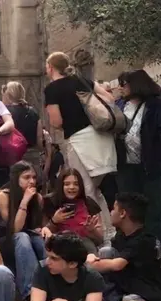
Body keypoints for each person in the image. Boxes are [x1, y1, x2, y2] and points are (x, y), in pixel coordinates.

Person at [44, 52, 116, 241]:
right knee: (98, 190)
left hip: (80, 141)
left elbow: (57, 121)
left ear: (50, 67)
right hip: (102, 138)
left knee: (84, 189)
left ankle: (98, 238)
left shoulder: (52, 89)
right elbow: (109, 98)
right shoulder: (81, 80)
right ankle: (109, 234)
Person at [88, 193, 161, 301]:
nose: (111, 212)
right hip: (127, 284)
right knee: (107, 251)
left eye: (113, 209)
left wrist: (88, 264)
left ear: (122, 213)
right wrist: (93, 232)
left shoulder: (144, 240)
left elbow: (117, 265)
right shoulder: (121, 234)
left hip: (148, 294)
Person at [115, 70, 161, 240]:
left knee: (153, 208)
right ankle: (130, 243)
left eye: (125, 84)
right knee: (127, 208)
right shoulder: (120, 105)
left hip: (151, 166)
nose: (122, 88)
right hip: (126, 166)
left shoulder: (155, 105)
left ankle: (154, 245)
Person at [0, 161, 45, 300]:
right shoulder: (3, 195)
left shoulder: (38, 198)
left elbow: (36, 226)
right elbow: (14, 229)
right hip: (6, 241)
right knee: (22, 236)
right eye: (26, 177)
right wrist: (25, 201)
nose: (32, 181)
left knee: (41, 240)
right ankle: (29, 292)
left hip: (28, 238)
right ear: (16, 178)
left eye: (34, 178)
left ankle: (47, 287)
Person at [42, 169, 104, 254]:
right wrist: (54, 221)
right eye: (67, 184)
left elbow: (100, 240)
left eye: (76, 184)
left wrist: (92, 230)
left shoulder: (89, 203)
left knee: (86, 244)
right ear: (61, 185)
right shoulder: (50, 202)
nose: (72, 187)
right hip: (59, 246)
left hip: (84, 246)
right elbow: (43, 233)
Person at [3, 81, 43, 171]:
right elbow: (39, 138)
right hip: (32, 155)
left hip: (11, 155)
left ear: (8, 94)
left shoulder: (4, 112)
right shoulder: (33, 111)